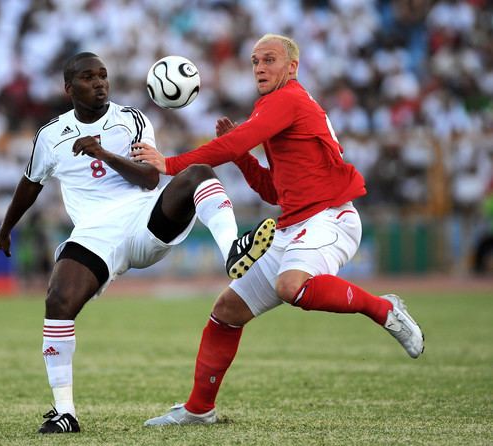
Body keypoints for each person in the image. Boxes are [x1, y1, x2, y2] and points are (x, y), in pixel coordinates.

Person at [132, 34, 425, 426]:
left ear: (292, 67)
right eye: (254, 61)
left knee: (292, 287)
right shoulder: (276, 106)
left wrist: (169, 163)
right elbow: (275, 190)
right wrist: (240, 158)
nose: (259, 68)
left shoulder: (288, 100)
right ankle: (200, 409)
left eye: (269, 60)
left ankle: (384, 309)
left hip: (330, 216)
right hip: (295, 222)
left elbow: (242, 139)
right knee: (226, 311)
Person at [0, 52, 276, 434]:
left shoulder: (131, 120)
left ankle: (231, 251)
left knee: (198, 173)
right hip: (94, 233)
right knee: (57, 301)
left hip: (142, 218)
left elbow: (148, 179)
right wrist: (6, 228)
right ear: (68, 88)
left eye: (103, 76)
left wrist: (103, 153)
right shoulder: (50, 136)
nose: (99, 83)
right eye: (89, 77)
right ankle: (65, 413)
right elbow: (30, 183)